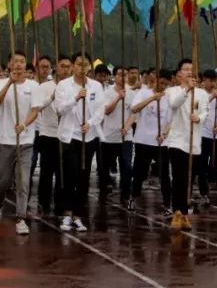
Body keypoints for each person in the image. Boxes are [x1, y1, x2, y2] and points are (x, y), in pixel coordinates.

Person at [53, 52, 105, 232]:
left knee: (84, 176)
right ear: (73, 66)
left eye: (86, 65)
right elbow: (59, 109)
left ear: (90, 67)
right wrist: (75, 98)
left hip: (87, 136)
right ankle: (67, 214)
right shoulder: (63, 85)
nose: (82, 68)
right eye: (79, 64)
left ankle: (78, 215)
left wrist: (90, 124)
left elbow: (100, 109)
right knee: (71, 174)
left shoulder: (96, 86)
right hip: (69, 136)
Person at [0, 51, 41, 234]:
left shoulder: (33, 86)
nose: (19, 65)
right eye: (16, 61)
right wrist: (10, 83)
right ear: (10, 64)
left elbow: (35, 110)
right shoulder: (1, 83)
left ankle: (21, 218)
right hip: (4, 140)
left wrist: (24, 124)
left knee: (23, 182)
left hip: (26, 141)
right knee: (2, 181)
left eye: (22, 61)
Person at [165, 59, 209, 230]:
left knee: (189, 180)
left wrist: (199, 118)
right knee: (179, 178)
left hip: (195, 142)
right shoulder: (173, 91)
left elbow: (205, 111)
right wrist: (187, 89)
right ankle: (177, 213)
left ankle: (183, 214)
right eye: (186, 69)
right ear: (179, 74)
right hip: (177, 141)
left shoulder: (202, 93)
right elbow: (174, 103)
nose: (190, 72)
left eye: (192, 69)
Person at [130, 70, 173, 213]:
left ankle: (168, 204)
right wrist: (152, 98)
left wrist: (164, 134)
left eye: (166, 85)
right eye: (161, 83)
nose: (163, 87)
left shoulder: (169, 98)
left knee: (164, 175)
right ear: (155, 80)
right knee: (139, 173)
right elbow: (134, 108)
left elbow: (170, 121)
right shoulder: (143, 93)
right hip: (143, 140)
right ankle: (133, 197)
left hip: (160, 143)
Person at [33, 55, 66, 216]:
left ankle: (60, 202)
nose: (65, 70)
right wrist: (52, 96)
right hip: (48, 134)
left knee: (63, 172)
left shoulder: (73, 87)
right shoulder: (45, 87)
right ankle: (43, 201)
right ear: (56, 68)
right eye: (62, 66)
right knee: (47, 171)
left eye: (68, 67)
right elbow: (37, 107)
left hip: (65, 135)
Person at [99, 66, 135, 207]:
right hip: (108, 137)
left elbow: (134, 113)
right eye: (120, 75)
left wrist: (127, 127)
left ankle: (126, 195)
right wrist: (118, 97)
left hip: (125, 137)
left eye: (125, 75)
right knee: (104, 167)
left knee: (126, 166)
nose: (123, 77)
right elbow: (106, 111)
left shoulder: (131, 93)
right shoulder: (107, 92)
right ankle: (103, 191)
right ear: (114, 77)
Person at [197, 69, 217, 210]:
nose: (212, 83)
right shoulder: (199, 94)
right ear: (204, 80)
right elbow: (196, 109)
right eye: (209, 80)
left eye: (214, 80)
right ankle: (204, 193)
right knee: (201, 165)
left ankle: (210, 178)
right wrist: (211, 98)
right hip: (202, 134)